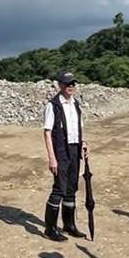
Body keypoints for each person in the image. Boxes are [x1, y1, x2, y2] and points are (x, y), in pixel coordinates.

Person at [42, 71, 90, 242]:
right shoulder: (53, 105)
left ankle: (69, 225)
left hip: (74, 150)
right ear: (60, 85)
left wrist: (83, 142)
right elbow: (47, 133)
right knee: (59, 189)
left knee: (71, 188)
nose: (71, 86)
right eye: (68, 83)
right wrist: (52, 157)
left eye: (73, 84)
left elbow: (78, 127)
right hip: (60, 152)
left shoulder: (76, 104)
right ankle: (50, 228)